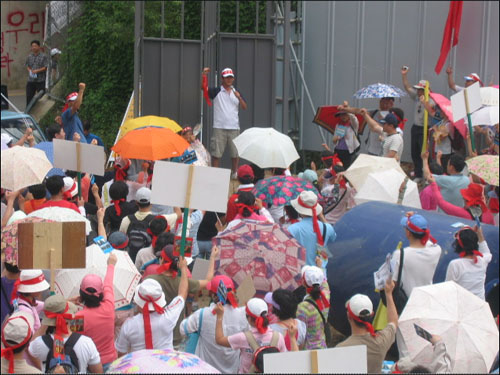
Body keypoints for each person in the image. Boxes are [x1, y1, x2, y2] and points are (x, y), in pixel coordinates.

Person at [145, 245, 218, 349]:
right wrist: (212, 258)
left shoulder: (150, 280)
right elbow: (208, 281)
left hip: (155, 331)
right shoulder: (184, 283)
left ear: (161, 260)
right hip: (176, 334)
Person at [115, 261, 189, 355]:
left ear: (138, 302)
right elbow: (182, 293)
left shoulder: (128, 325)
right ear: (160, 300)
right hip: (164, 365)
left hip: (139, 367)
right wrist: (183, 269)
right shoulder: (169, 316)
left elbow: (121, 354)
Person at [180, 275, 248, 373]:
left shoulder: (202, 314)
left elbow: (183, 329)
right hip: (233, 370)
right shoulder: (243, 315)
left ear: (213, 295)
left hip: (206, 370)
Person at [336, 278, 398, 374]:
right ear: (372, 314)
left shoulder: (340, 349)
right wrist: (388, 294)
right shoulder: (380, 342)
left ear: (349, 316)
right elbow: (393, 322)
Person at [28, 295, 103, 373]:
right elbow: (98, 371)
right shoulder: (87, 343)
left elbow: (30, 347)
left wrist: (45, 323)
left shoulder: (38, 343)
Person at [214, 297, 289, 374]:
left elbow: (219, 339)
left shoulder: (243, 338)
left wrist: (219, 316)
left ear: (249, 318)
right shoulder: (278, 337)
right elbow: (283, 362)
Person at [73, 253, 117, 371]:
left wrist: (68, 302)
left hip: (89, 364)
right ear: (101, 292)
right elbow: (108, 283)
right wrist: (111, 265)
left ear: (81, 294)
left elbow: (72, 339)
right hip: (111, 360)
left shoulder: (78, 317)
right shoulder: (109, 305)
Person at [201, 67, 247, 178]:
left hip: (234, 127)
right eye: (227, 77)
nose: (229, 79)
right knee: (216, 153)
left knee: (235, 153)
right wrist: (204, 76)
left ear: (233, 79)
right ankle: (215, 173)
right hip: (219, 127)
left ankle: (234, 173)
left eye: (231, 77)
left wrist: (239, 98)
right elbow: (204, 89)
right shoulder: (217, 91)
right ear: (222, 78)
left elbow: (245, 107)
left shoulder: (237, 92)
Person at [391, 213, 442, 298]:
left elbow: (393, 283)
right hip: (425, 299)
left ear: (408, 233)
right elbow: (430, 240)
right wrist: (416, 218)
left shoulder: (400, 254)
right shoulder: (436, 250)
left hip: (407, 303)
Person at [401, 66, 435, 182]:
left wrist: (424, 102)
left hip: (425, 128)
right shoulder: (416, 97)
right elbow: (407, 87)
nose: (418, 91)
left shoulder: (431, 100)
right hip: (415, 127)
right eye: (418, 89)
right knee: (414, 152)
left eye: (421, 89)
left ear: (426, 90)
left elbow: (432, 113)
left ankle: (427, 174)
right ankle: (418, 174)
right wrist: (404, 75)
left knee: (424, 152)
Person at [288, 191, 336, 266]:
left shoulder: (292, 229)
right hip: (321, 273)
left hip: (302, 272)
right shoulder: (327, 228)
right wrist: (321, 216)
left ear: (299, 210)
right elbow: (333, 238)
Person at [445, 226, 492, 300]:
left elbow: (448, 289)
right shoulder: (482, 261)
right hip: (480, 306)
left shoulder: (455, 264)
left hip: (463, 307)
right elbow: (487, 253)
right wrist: (480, 235)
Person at [428, 178, 495, 225]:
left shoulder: (463, 213)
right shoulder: (488, 213)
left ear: (467, 199)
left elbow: (441, 202)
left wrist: (433, 184)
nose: (463, 197)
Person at [296, 263, 330, 349]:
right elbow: (324, 282)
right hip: (323, 347)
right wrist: (320, 266)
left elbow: (300, 337)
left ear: (303, 282)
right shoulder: (326, 296)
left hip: (308, 351)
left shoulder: (302, 307)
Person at [25, 40, 48, 107]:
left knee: (41, 96)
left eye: (35, 46)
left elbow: (45, 67)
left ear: (39, 47)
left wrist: (37, 71)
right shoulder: (29, 56)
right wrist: (30, 70)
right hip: (31, 80)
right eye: (32, 46)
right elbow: (27, 66)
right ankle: (28, 110)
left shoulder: (43, 56)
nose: (33, 47)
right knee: (29, 96)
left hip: (40, 80)